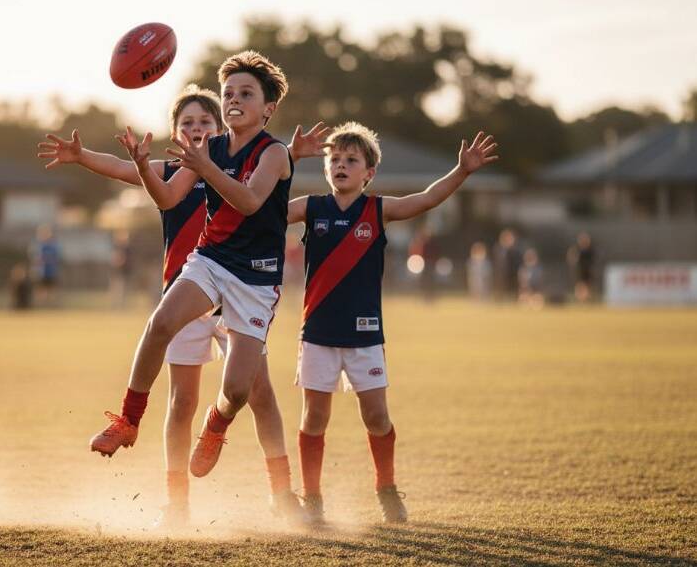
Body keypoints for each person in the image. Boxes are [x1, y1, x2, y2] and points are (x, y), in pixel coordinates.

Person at [38, 81, 328, 526]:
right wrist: (105, 160)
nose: (197, 127)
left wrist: (291, 153)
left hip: (248, 283)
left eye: (203, 121)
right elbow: (130, 173)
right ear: (176, 132)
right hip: (195, 282)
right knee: (180, 399)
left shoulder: (233, 157)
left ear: (217, 126)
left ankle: (278, 491)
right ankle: (171, 495)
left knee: (253, 393)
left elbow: (258, 185)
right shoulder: (183, 167)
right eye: (187, 122)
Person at [287, 122, 498, 525]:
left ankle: (386, 488)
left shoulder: (378, 210)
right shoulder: (309, 208)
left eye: (352, 160)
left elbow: (427, 198)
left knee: (377, 417)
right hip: (317, 335)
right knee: (314, 418)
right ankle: (311, 498)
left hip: (365, 335)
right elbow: (260, 213)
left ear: (369, 172)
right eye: (334, 159)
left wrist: (462, 171)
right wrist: (287, 159)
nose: (341, 165)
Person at [28, 224, 60, 305]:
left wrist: (47, 259)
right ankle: (41, 303)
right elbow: (35, 258)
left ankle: (51, 303)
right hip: (40, 271)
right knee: (40, 287)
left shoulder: (53, 246)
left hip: (51, 271)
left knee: (51, 287)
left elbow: (55, 257)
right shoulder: (38, 246)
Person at [493, 228, 522, 301]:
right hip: (501, 272)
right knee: (500, 287)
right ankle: (499, 298)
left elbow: (517, 261)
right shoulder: (498, 248)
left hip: (512, 272)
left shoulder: (515, 250)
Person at [567, 232, 595, 302]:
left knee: (587, 285)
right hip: (580, 270)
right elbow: (573, 259)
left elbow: (592, 261)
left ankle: (585, 298)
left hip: (587, 270)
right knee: (580, 285)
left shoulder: (590, 251)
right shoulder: (578, 250)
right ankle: (581, 299)